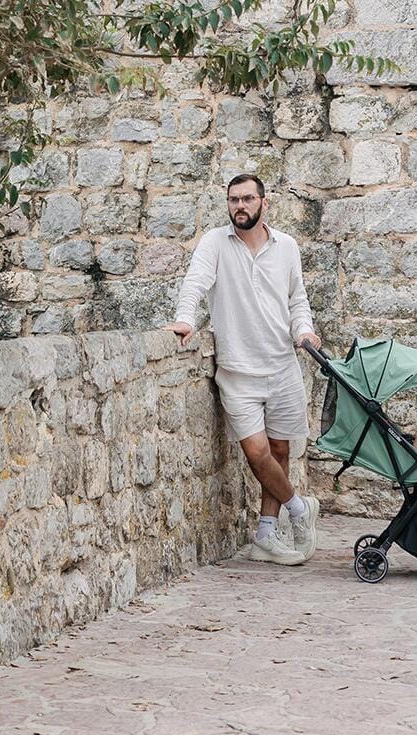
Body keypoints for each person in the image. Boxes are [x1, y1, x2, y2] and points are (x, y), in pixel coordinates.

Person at [164, 174, 321, 566]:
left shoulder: (287, 246)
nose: (240, 206)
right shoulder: (215, 242)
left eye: (248, 199)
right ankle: (300, 509)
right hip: (237, 370)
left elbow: (296, 298)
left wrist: (304, 331)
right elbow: (195, 282)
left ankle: (266, 534)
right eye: (234, 199)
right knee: (257, 453)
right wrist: (185, 319)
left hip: (282, 365)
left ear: (264, 203)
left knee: (280, 449)